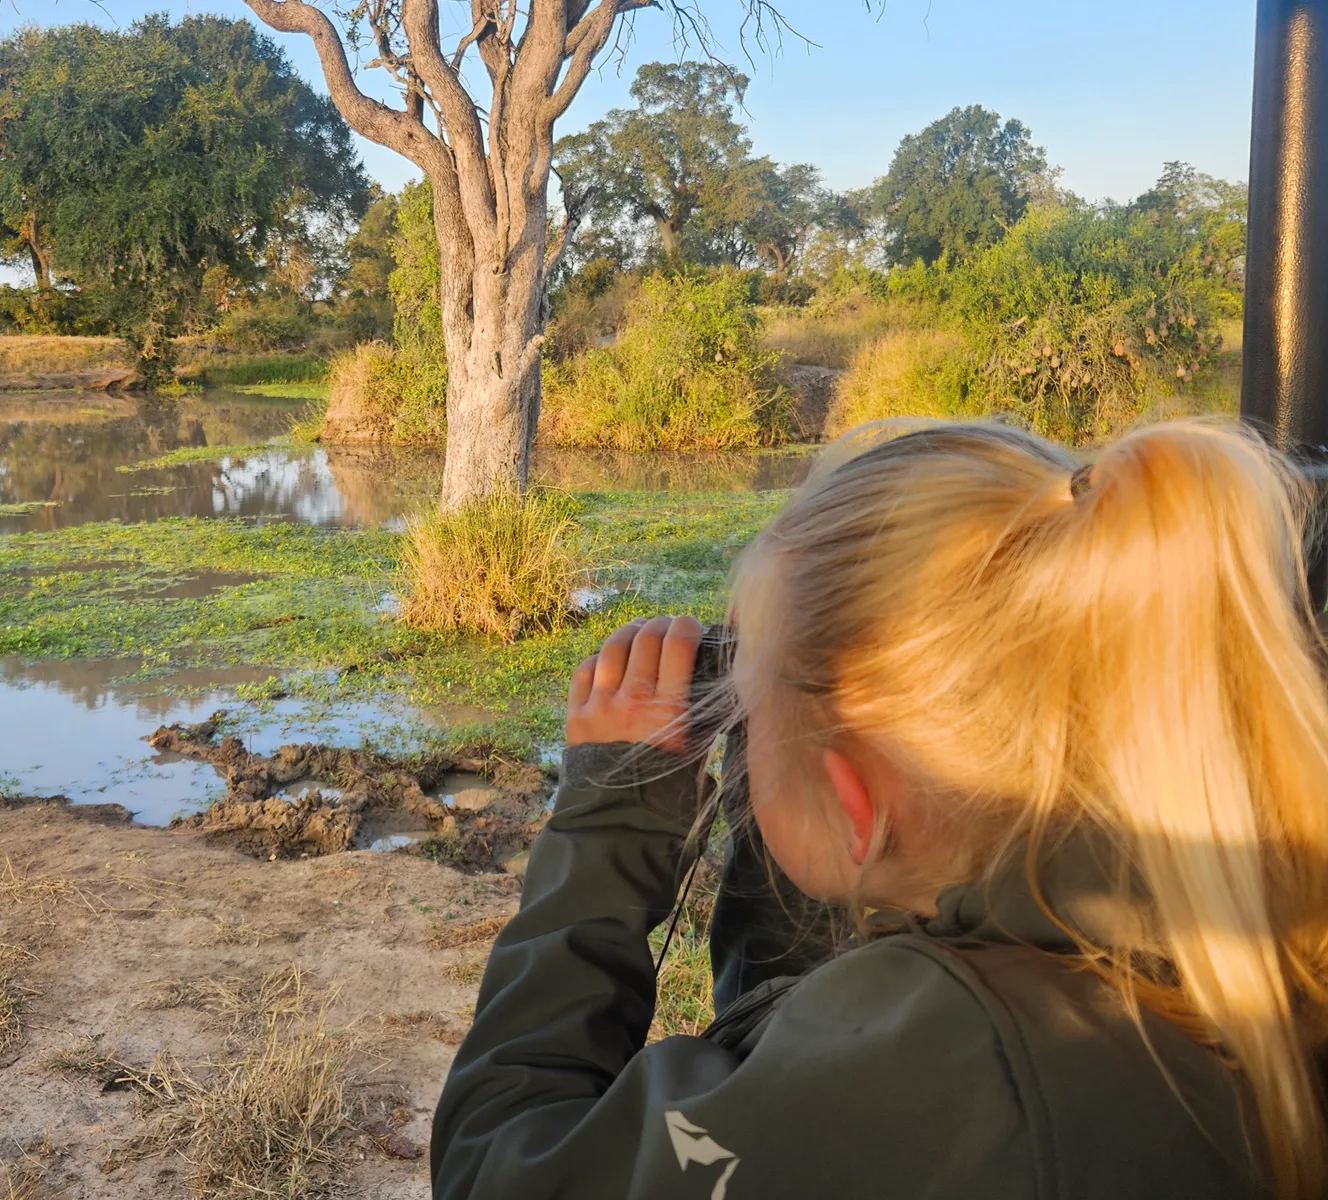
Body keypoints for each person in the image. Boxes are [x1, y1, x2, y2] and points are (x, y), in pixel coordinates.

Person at [430, 420, 1328, 1200]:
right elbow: (791, 1026)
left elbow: (498, 1169)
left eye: (741, 704)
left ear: (855, 805)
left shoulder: (956, 1062)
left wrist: (612, 817)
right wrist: (784, 728)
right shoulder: (1240, 930)